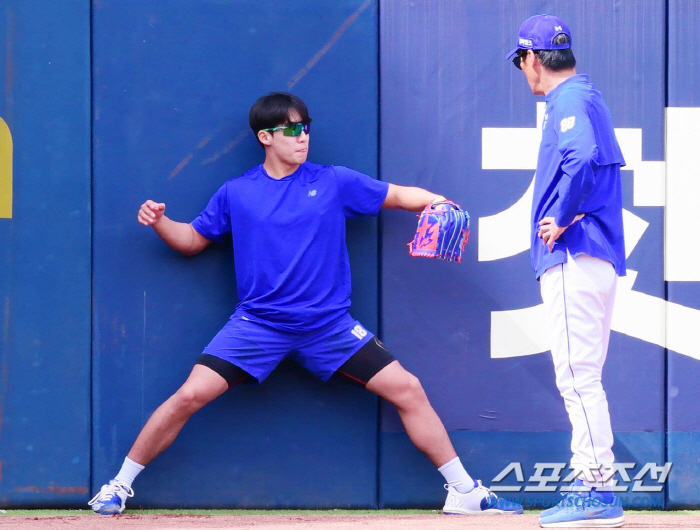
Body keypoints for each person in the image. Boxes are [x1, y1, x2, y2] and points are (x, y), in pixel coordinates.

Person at [88, 92, 523, 517]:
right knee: (188, 395)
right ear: (265, 137)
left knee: (408, 389)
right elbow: (191, 241)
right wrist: (161, 221)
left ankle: (464, 492)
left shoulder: (332, 181)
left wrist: (437, 201)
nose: (302, 136)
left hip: (328, 327)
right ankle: (119, 486)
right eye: (292, 129)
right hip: (258, 326)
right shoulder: (236, 193)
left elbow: (397, 195)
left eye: (306, 128)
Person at [506, 14, 626, 528]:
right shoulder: (585, 95)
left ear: (532, 58)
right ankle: (596, 486)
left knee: (576, 378)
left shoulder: (571, 98)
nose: (522, 70)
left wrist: (562, 213)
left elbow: (580, 156)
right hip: (595, 256)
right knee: (585, 378)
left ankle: (595, 489)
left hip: (574, 255)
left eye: (520, 61)